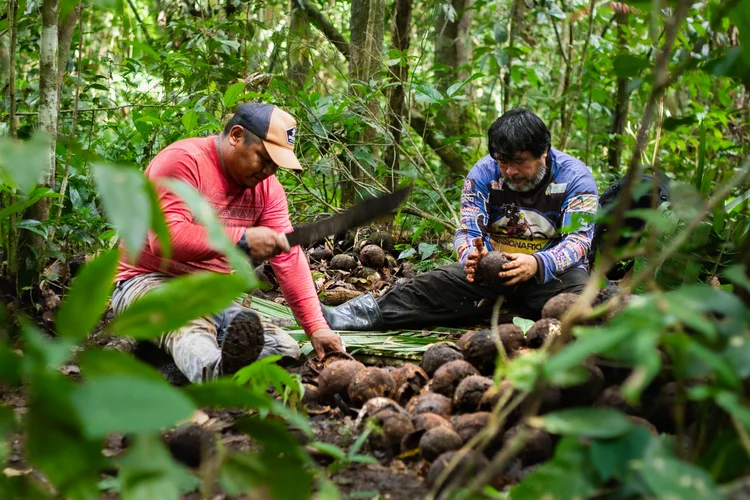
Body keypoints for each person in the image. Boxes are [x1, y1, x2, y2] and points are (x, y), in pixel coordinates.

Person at [111, 103, 345, 383]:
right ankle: (211, 372)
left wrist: (317, 327)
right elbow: (165, 239)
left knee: (284, 349)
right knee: (189, 328)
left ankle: (171, 363)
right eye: (264, 158)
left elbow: (288, 257)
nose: (268, 171)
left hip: (209, 291)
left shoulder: (268, 189)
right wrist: (241, 239)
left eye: (275, 166)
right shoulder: (183, 160)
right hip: (146, 280)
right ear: (236, 135)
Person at [322, 108, 599, 330]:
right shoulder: (482, 174)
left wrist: (538, 264)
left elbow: (579, 242)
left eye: (520, 161)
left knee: (590, 302)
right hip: (494, 272)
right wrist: (471, 256)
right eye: (502, 161)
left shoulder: (575, 177)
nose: (510, 171)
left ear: (545, 151)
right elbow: (466, 231)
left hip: (554, 277)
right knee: (427, 287)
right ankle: (350, 316)